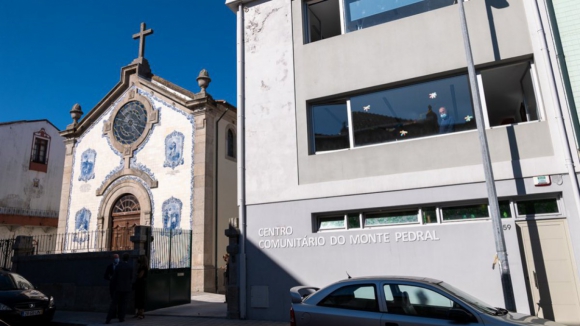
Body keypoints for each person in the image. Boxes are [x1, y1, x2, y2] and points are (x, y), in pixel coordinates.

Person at [106, 253, 133, 324]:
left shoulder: (118, 267)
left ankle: (108, 319)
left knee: (114, 303)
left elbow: (114, 278)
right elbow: (131, 277)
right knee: (123, 304)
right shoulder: (130, 266)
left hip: (118, 288)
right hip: (126, 288)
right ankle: (121, 318)